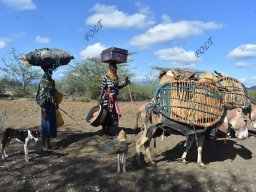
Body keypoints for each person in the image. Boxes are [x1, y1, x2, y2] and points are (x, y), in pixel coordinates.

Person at [99, 62, 130, 136]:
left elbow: (117, 87)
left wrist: (125, 83)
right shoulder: (106, 77)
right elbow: (102, 88)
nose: (115, 69)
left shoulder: (116, 77)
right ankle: (105, 130)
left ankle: (109, 130)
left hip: (114, 100)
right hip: (106, 99)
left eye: (116, 68)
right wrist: (100, 100)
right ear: (110, 68)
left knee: (113, 115)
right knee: (106, 114)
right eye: (113, 68)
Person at [36, 66, 58, 151]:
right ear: (45, 71)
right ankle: (43, 145)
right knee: (45, 125)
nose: (51, 72)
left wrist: (56, 103)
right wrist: (43, 109)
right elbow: (41, 96)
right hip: (45, 106)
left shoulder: (52, 81)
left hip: (51, 105)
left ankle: (48, 144)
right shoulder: (43, 82)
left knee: (51, 124)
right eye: (49, 71)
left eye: (51, 71)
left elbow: (53, 93)